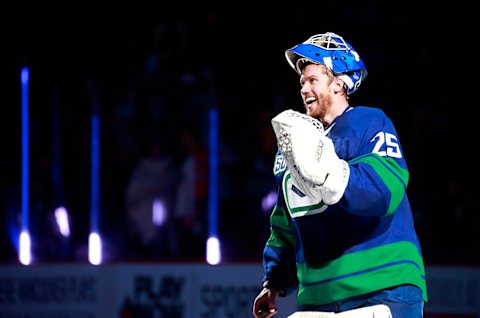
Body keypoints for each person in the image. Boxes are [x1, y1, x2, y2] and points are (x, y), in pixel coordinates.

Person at [253, 32, 427, 317]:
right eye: (302, 82)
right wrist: (273, 283)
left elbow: (385, 189)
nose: (304, 89)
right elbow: (286, 222)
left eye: (312, 80)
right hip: (318, 297)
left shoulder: (370, 122)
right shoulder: (293, 147)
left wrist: (331, 176)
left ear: (339, 83)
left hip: (382, 288)